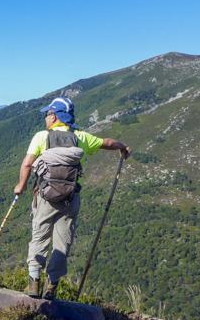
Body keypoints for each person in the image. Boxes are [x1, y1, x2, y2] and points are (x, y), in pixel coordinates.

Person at [13, 97, 131, 299]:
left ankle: (33, 284)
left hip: (45, 198)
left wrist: (20, 186)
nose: (45, 118)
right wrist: (122, 147)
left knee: (39, 236)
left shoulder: (42, 137)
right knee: (62, 242)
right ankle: (52, 287)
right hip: (69, 199)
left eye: (47, 114)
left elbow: (27, 164)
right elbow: (108, 142)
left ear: (55, 116)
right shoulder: (80, 137)